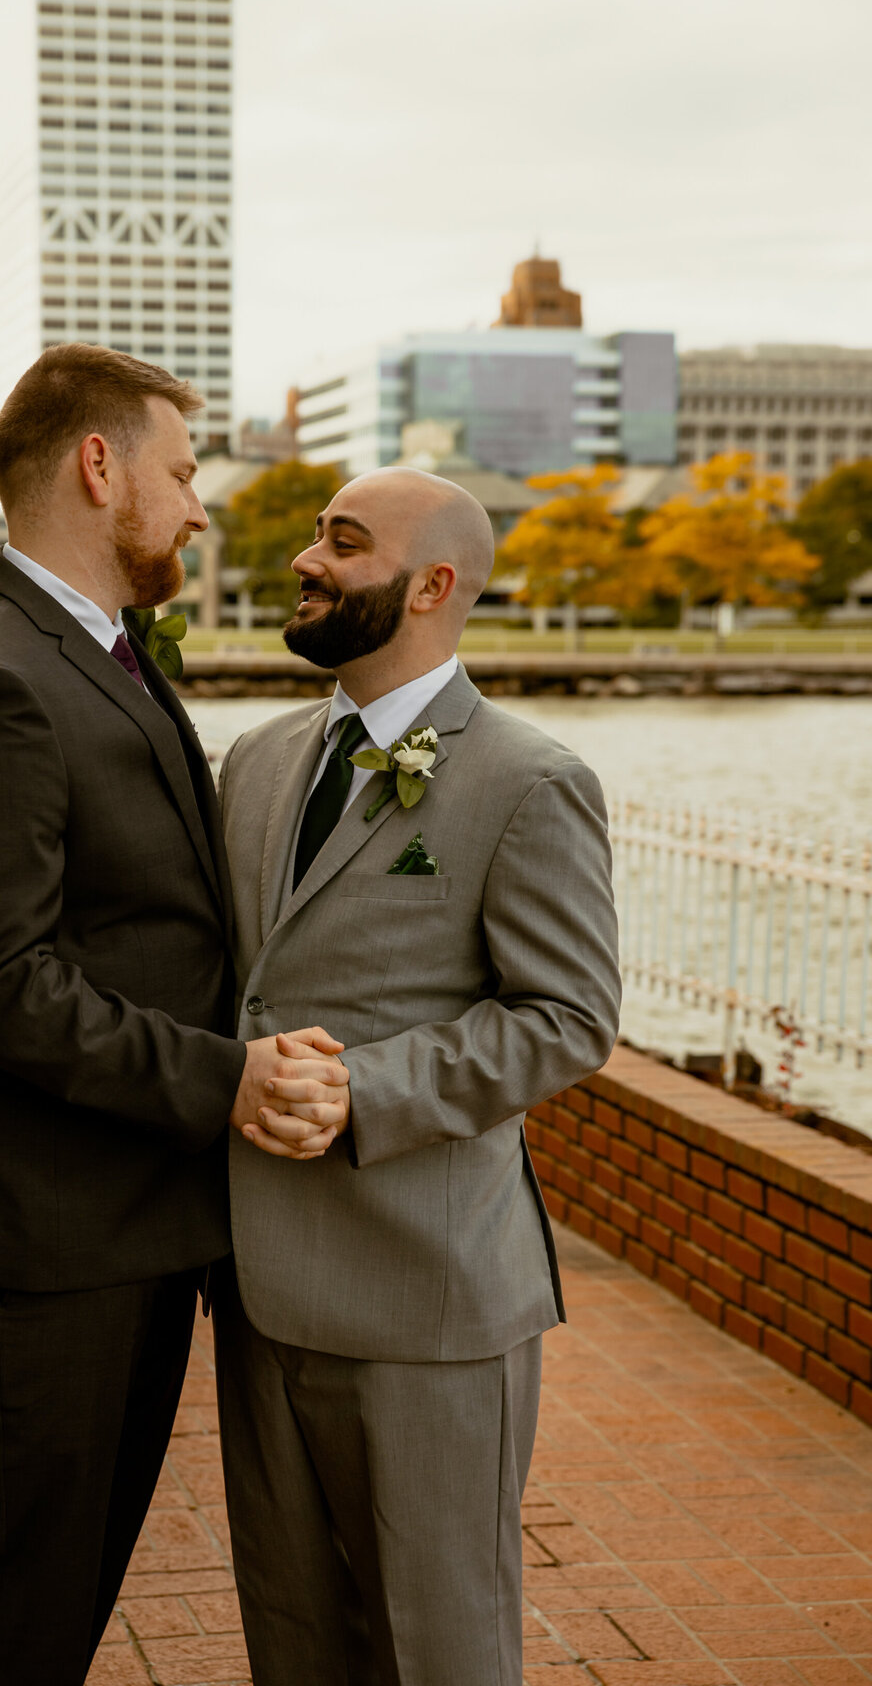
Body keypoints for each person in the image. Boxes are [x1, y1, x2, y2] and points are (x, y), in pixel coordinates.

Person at [0, 344, 349, 1686]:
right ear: (96, 467)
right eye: (180, 473)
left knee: (58, 1597)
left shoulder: (92, 650)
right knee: (18, 1609)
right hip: (26, 1240)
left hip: (105, 1219)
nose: (199, 506)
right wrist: (225, 1080)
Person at [214, 467, 622, 1686]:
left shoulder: (530, 782)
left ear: (433, 585)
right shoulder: (257, 759)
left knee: (438, 1650)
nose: (306, 558)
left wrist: (368, 1092)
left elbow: (569, 1018)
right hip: (253, 1289)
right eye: (314, 534)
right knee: (293, 1641)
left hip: (430, 1304)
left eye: (343, 541)